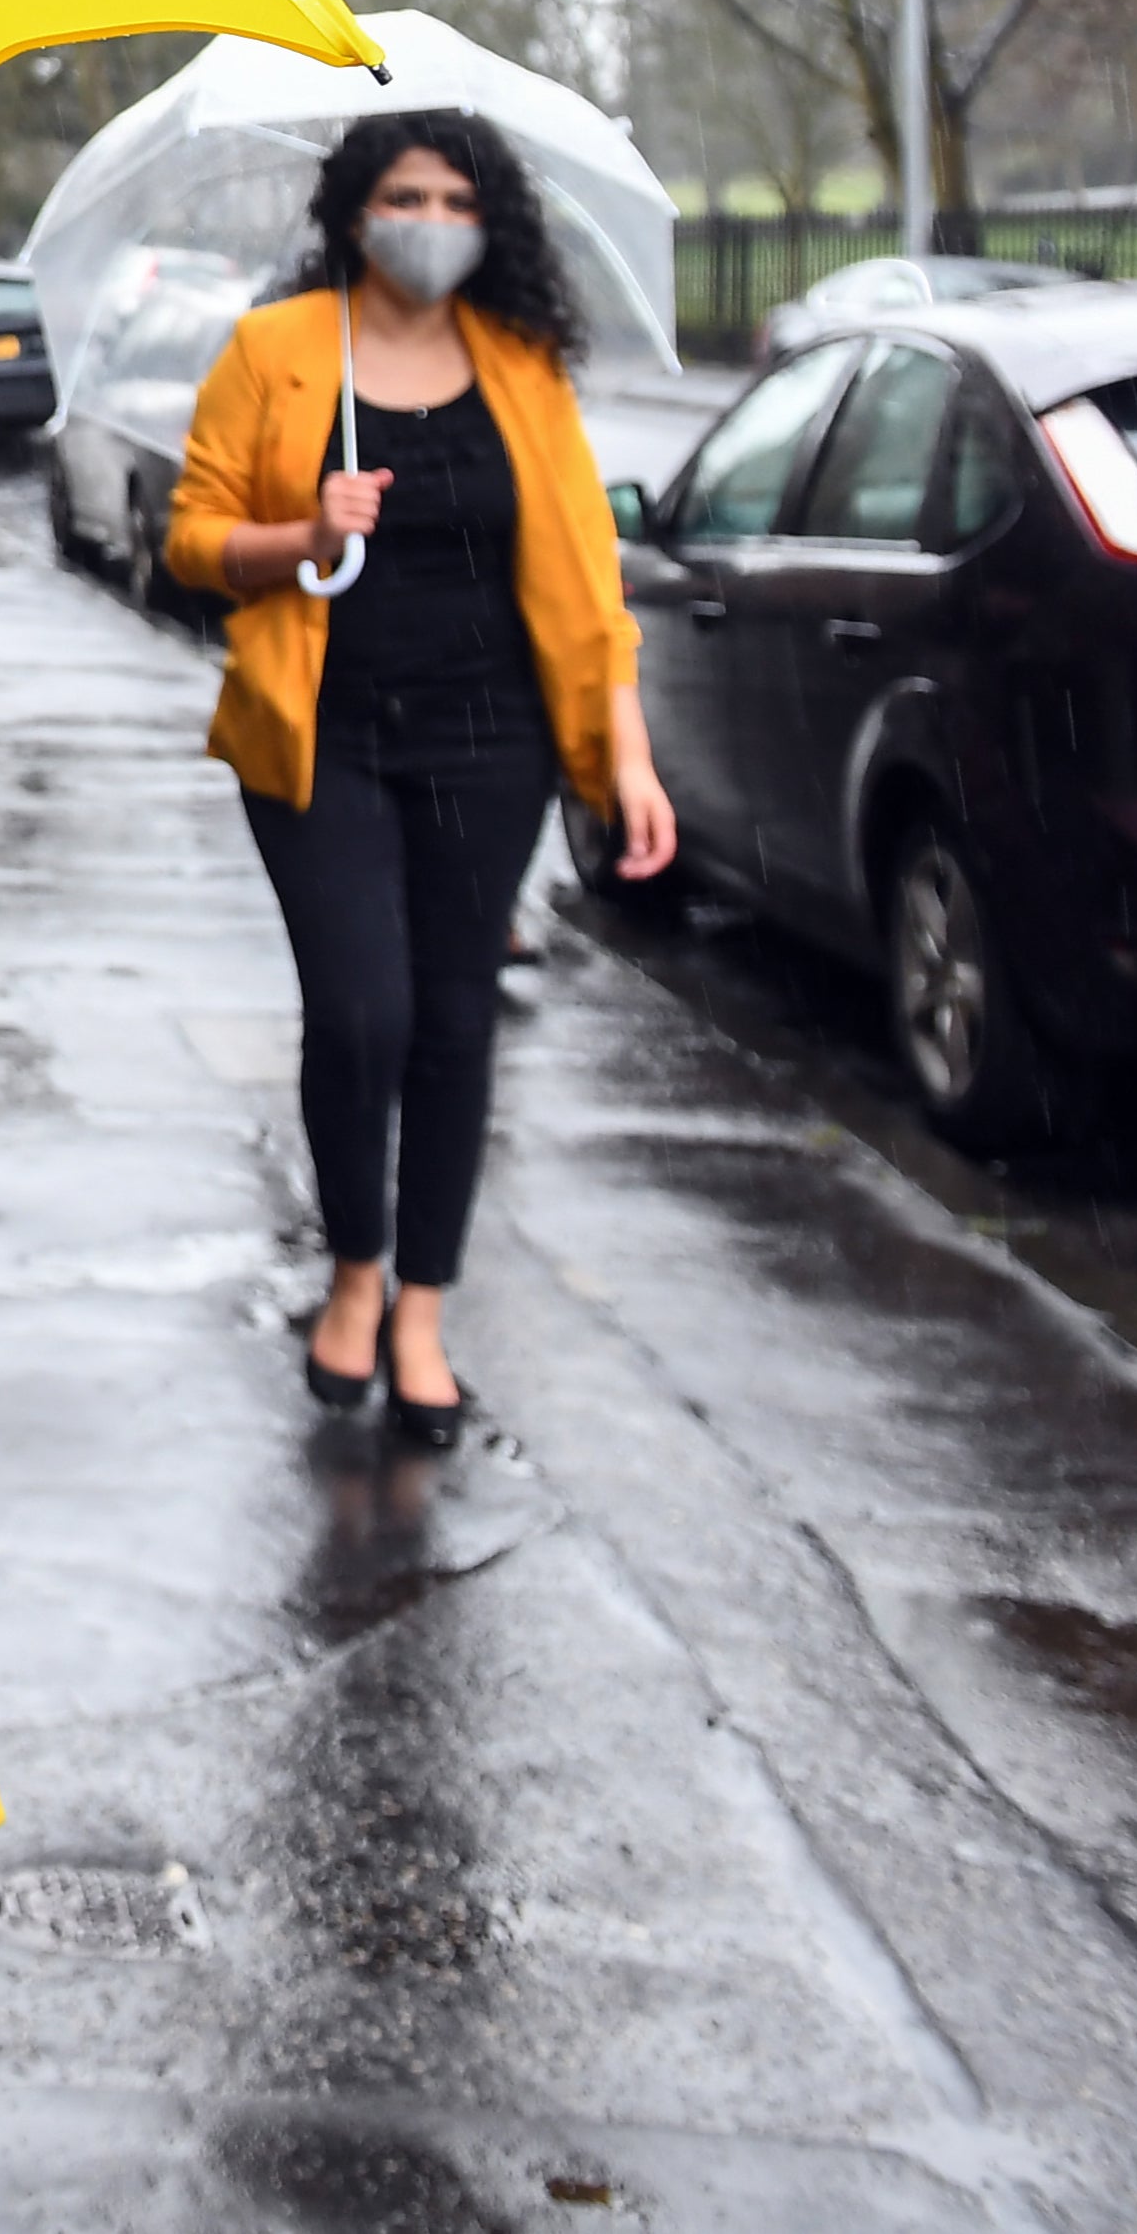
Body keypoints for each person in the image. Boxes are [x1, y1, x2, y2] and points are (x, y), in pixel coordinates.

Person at [164, 111, 678, 1449]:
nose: (430, 221)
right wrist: (297, 534)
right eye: (404, 195)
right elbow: (186, 539)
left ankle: (419, 1312)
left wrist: (623, 758)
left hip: (488, 739)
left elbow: (586, 584)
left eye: (456, 199)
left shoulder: (517, 364)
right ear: (351, 214)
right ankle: (350, 1272)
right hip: (317, 735)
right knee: (358, 1016)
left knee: (453, 1023)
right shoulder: (277, 351)